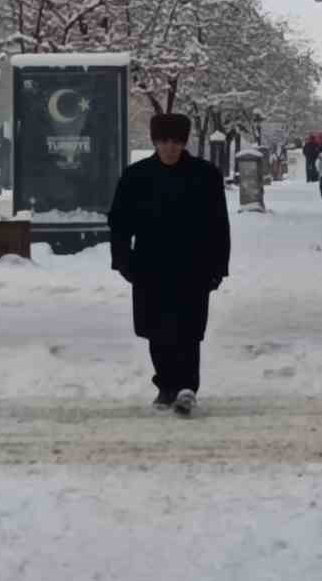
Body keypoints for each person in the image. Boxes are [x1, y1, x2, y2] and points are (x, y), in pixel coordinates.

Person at [108, 113, 231, 418]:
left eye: (176, 141)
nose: (170, 148)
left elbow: (219, 225)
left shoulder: (205, 175)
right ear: (155, 141)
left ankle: (187, 388)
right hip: (150, 265)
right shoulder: (136, 176)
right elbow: (120, 223)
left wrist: (218, 266)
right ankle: (165, 384)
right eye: (164, 141)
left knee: (188, 330)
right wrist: (124, 262)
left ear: (184, 142)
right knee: (157, 330)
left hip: (194, 266)